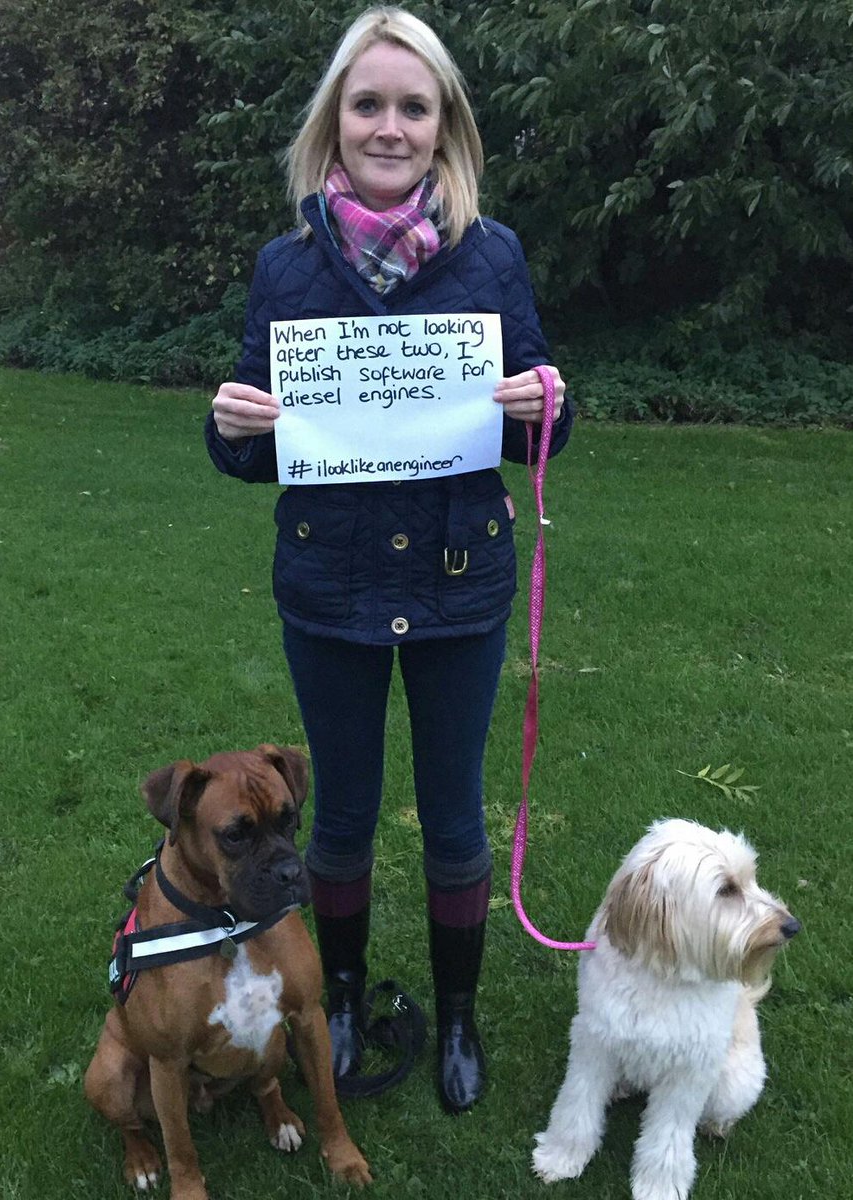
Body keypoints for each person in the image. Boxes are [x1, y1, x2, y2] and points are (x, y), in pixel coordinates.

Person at [205, 5, 573, 1114]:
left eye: (414, 106)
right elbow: (251, 447)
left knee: (457, 817)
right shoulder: (286, 267)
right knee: (344, 814)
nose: (390, 125)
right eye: (368, 103)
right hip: (330, 587)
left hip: (461, 583)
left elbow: (535, 423)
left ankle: (457, 1015)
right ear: (335, 121)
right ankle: (349, 995)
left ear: (443, 125)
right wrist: (231, 426)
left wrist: (546, 404)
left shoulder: (491, 254)